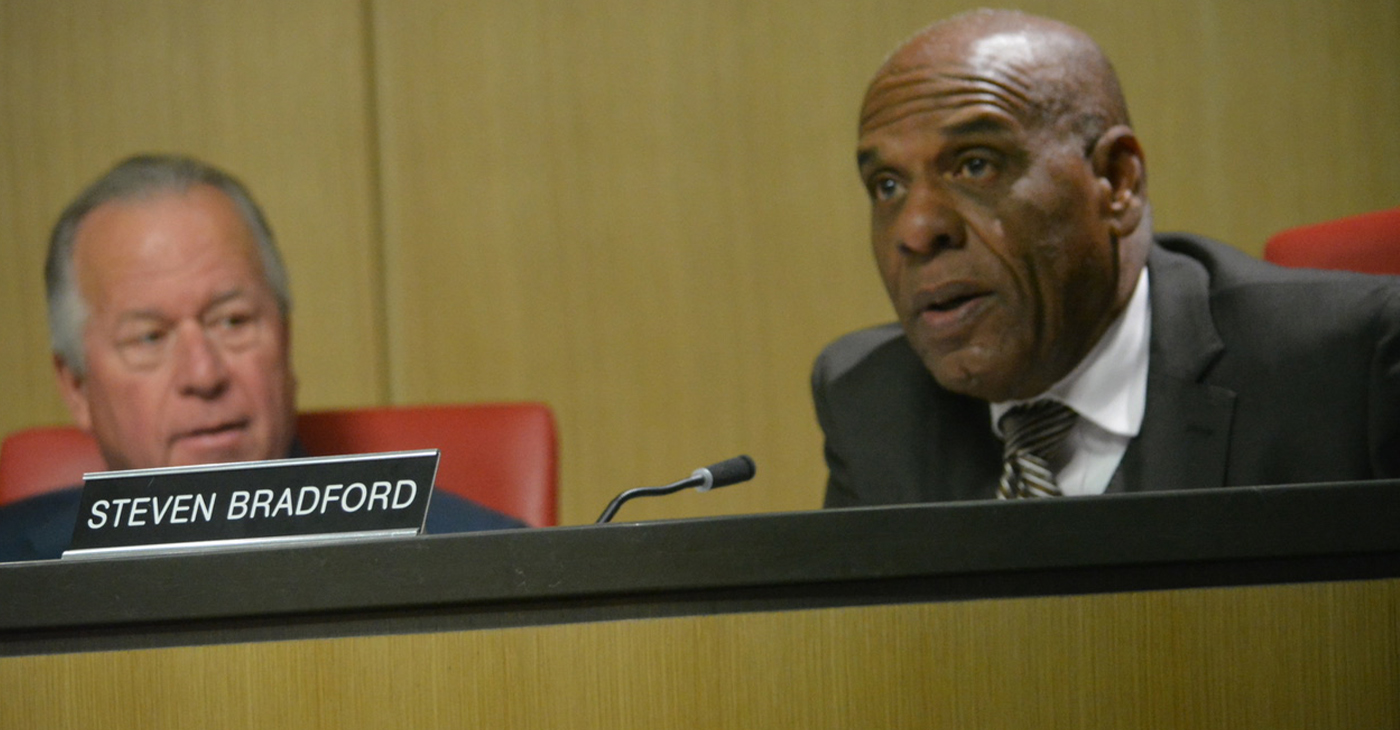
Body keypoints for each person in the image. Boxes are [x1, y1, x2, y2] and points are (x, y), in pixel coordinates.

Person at [814, 10, 1400, 507]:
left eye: (975, 165)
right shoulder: (871, 401)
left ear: (1116, 182)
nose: (916, 231)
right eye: (887, 185)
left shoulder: (1347, 368)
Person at [0, 154, 522, 561]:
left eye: (233, 322)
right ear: (76, 387)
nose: (204, 374)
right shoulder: (11, 569)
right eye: (150, 338)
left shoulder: (487, 557)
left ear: (286, 341)